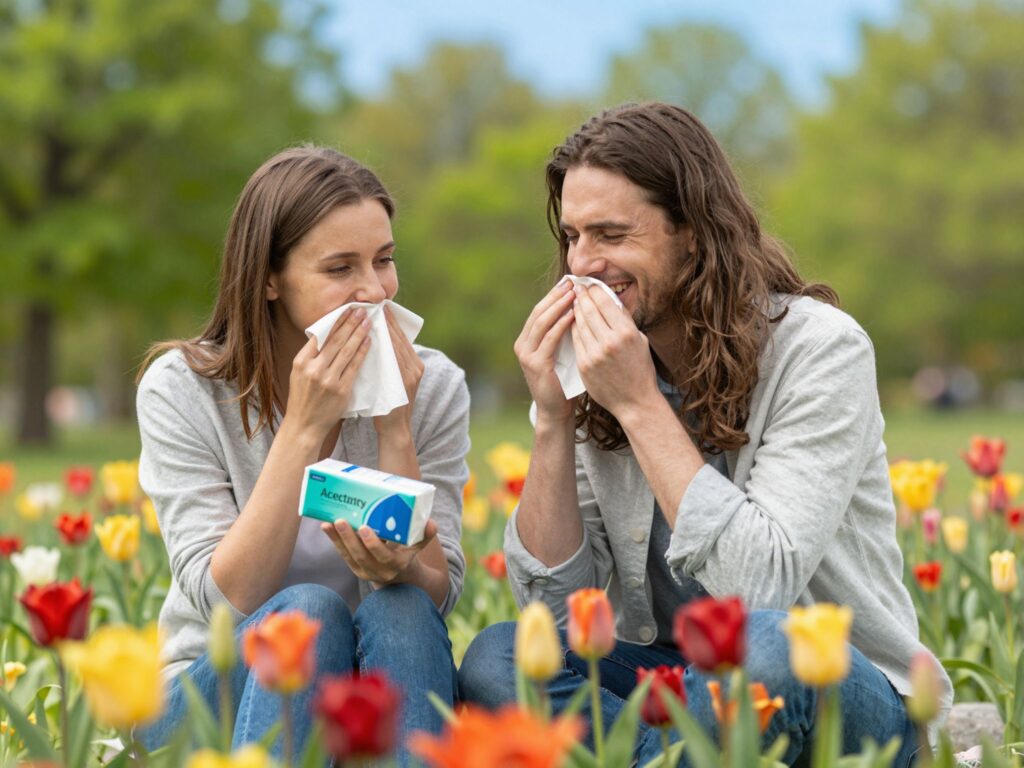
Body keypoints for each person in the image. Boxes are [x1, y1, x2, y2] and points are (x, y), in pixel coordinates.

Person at [458, 102, 952, 766]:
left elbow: (761, 589)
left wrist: (639, 405)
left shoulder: (821, 350)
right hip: (675, 677)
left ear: (691, 232)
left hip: (837, 692)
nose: (583, 263)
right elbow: (551, 609)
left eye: (610, 234)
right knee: (503, 656)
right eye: (573, 236)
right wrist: (553, 419)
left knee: (767, 648)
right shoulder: (593, 366)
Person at [135, 146, 470, 765]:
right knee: (309, 615)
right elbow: (223, 604)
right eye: (340, 267)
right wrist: (303, 427)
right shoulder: (181, 389)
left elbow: (436, 598)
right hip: (211, 692)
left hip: (366, 687)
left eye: (385, 260)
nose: (374, 290)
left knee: (401, 606)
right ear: (268, 277)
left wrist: (396, 428)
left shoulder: (434, 385)